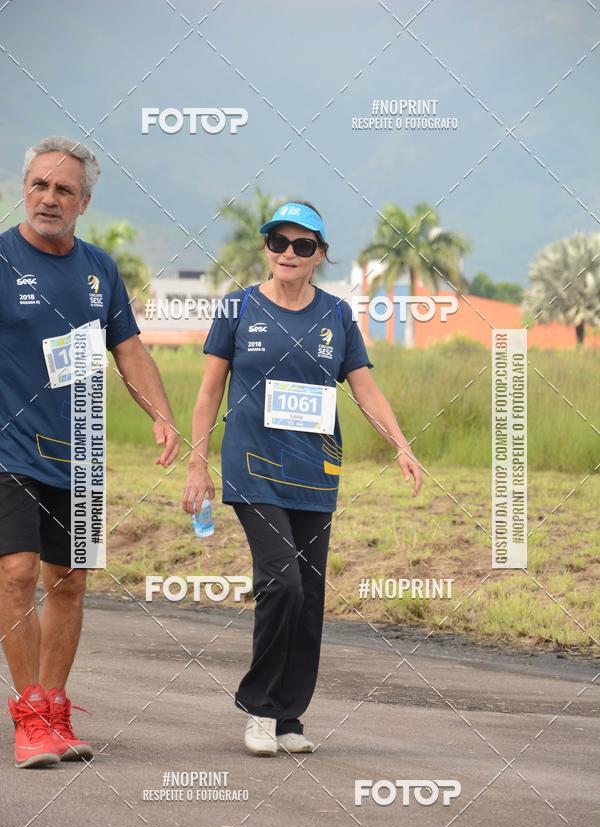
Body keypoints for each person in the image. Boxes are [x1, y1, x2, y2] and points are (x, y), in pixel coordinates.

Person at [182, 200, 422, 756]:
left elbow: (363, 388)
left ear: (319, 254)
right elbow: (208, 391)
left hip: (315, 472)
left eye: (303, 245)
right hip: (253, 468)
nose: (289, 254)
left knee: (309, 594)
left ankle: (289, 716)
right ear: (267, 248)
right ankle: (258, 707)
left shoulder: (337, 315)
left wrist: (402, 446)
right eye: (278, 243)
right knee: (282, 582)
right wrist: (198, 462)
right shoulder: (236, 308)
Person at [0, 136, 180, 768]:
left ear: (84, 201)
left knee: (69, 582)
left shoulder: (100, 270)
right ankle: (27, 715)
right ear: (24, 189)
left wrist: (160, 414)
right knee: (17, 571)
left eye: (64, 190)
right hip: (8, 453)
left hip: (78, 452)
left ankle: (54, 705)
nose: (50, 198)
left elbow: (127, 350)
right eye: (40, 186)